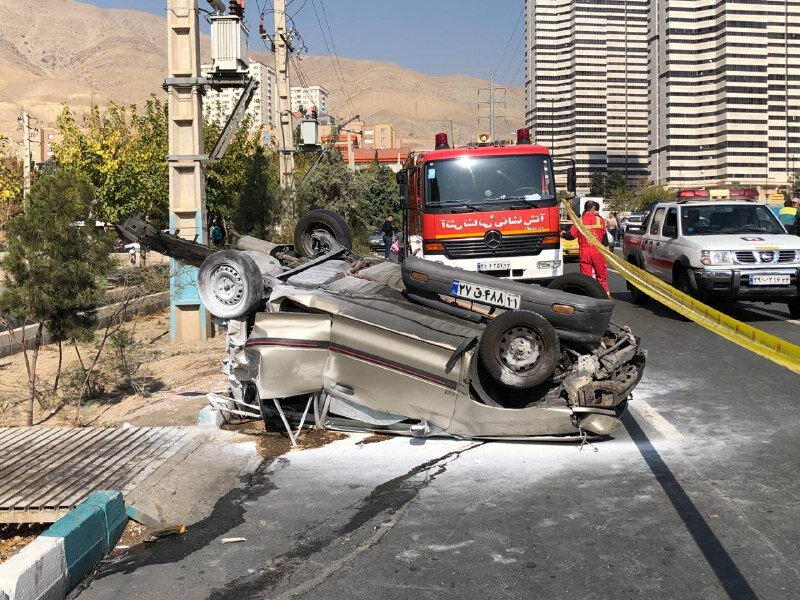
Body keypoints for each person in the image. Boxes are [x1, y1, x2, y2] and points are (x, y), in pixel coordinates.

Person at [565, 201, 610, 298]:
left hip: (585, 251)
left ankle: (588, 295)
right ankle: (606, 295)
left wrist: (562, 233)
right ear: (592, 209)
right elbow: (605, 240)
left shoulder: (579, 221)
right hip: (598, 250)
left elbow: (570, 236)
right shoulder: (600, 220)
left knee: (586, 277)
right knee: (601, 276)